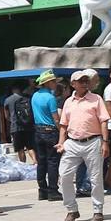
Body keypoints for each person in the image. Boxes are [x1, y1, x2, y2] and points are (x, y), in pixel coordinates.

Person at [56, 70, 110, 221]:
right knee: (65, 176)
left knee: (95, 178)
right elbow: (63, 125)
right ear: (73, 84)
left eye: (86, 81)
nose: (84, 83)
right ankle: (72, 210)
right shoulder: (68, 102)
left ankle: (98, 210)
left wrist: (105, 142)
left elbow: (104, 121)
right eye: (81, 81)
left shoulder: (96, 99)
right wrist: (61, 142)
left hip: (93, 141)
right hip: (72, 143)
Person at [30, 70, 62, 201]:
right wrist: (62, 131)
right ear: (48, 83)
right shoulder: (50, 98)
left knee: (41, 162)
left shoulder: (35, 96)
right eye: (54, 81)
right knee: (53, 162)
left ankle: (42, 190)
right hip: (50, 131)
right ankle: (53, 190)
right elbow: (56, 118)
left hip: (38, 131)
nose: (55, 84)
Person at [2, 82, 36, 165]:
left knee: (20, 149)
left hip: (15, 127)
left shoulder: (8, 100)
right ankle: (36, 162)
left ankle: (23, 165)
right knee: (30, 147)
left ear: (13, 90)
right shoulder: (28, 98)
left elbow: (6, 116)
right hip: (28, 126)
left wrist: (12, 120)